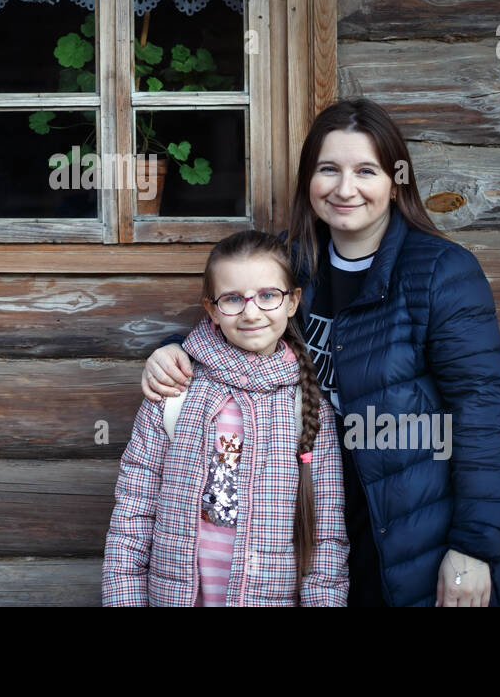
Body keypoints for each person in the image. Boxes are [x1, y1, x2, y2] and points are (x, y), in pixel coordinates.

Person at [138, 98, 500, 607]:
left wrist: (472, 547)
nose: (345, 189)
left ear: (394, 179)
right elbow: (227, 328)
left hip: (418, 531)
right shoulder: (289, 262)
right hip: (319, 536)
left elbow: (483, 413)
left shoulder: (442, 272)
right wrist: (170, 352)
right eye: (328, 170)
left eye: (365, 170)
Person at [102, 230, 348, 606]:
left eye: (268, 295)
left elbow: (326, 537)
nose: (251, 312)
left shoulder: (308, 406)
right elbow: (133, 511)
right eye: (233, 298)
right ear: (212, 308)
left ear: (293, 301)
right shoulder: (175, 390)